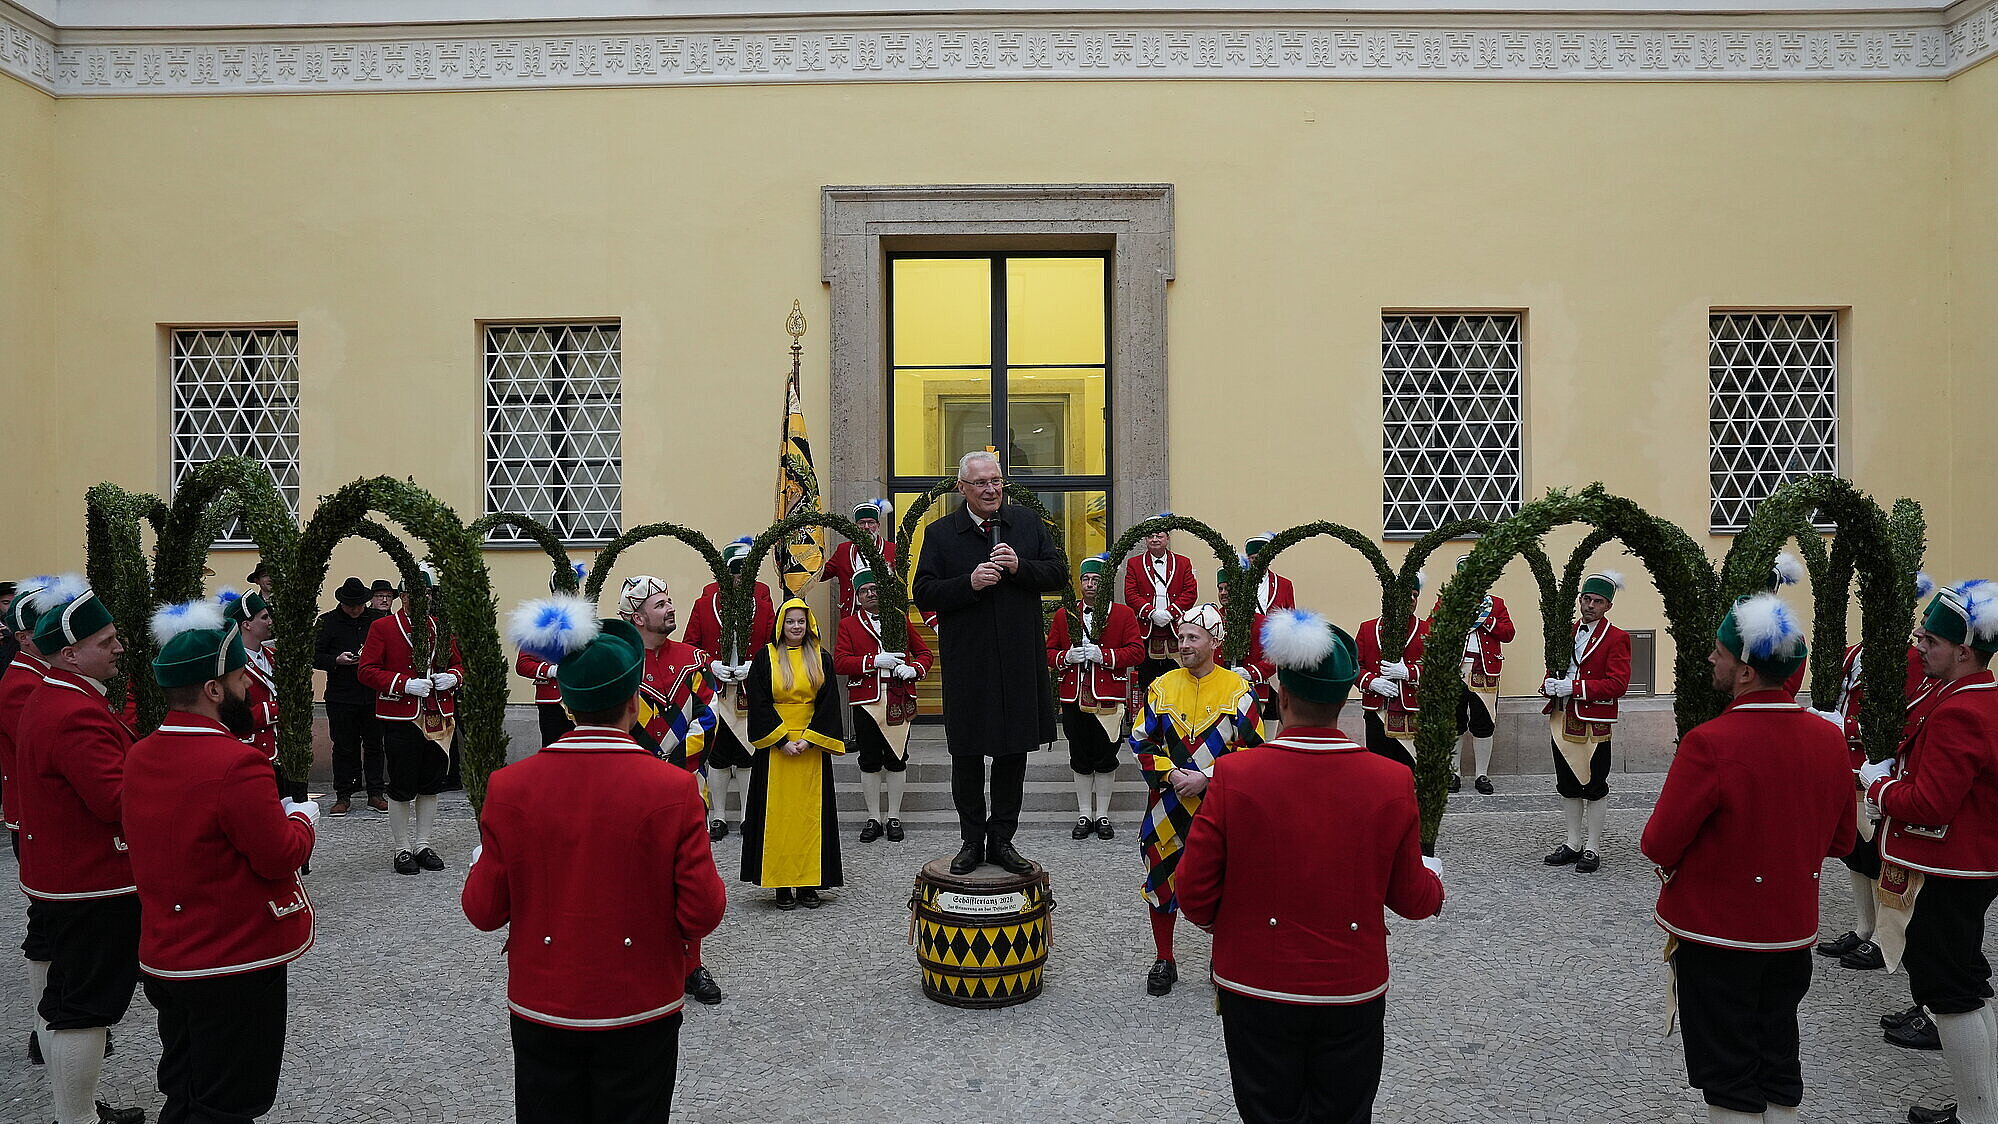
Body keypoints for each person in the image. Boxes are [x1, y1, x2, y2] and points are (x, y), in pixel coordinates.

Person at [1177, 607, 1443, 1124]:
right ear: (1345, 699)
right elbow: (1411, 899)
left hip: (1256, 981)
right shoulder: (1391, 781)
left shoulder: (1234, 775)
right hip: (1351, 985)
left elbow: (1192, 892)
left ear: (1281, 696)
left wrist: (1234, 926)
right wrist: (1435, 880)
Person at [469, 602, 727, 1124]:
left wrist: (486, 860)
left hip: (544, 1000)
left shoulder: (509, 786)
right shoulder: (675, 789)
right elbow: (703, 912)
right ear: (634, 704)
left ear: (565, 703)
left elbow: (483, 910)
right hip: (640, 1003)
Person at [1640, 593, 1855, 1124]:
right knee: (1778, 1067)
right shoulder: (1829, 739)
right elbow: (1843, 842)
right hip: (1793, 932)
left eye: (1720, 653)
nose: (1711, 660)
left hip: (1719, 937)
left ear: (1745, 671)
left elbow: (1658, 844)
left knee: (1730, 1081)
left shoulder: (1708, 742)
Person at [124, 598, 318, 1124]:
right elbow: (278, 855)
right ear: (212, 690)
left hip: (168, 952)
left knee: (186, 1088)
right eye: (238, 678)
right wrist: (303, 820)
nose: (248, 687)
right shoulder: (238, 762)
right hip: (231, 958)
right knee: (231, 1101)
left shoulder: (139, 754)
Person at [1862, 580, 1998, 1124]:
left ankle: (1976, 1115)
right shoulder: (1967, 696)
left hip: (1948, 868)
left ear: (1964, 650)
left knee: (1949, 993)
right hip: (1964, 865)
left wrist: (1876, 788)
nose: (1921, 646)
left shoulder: (1962, 707)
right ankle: (1981, 1106)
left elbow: (1932, 804)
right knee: (1967, 981)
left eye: (1932, 641)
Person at [13, 581, 145, 1124]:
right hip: (93, 881)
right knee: (85, 1009)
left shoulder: (59, 695)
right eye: (106, 640)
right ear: (71, 653)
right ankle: (77, 1118)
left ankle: (80, 1110)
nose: (119, 648)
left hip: (65, 874)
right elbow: (116, 799)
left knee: (68, 1002)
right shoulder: (75, 710)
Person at [912, 450, 1069, 877]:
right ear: (962, 487)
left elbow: (1058, 573)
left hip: (1018, 661)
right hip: (969, 664)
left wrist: (1020, 568)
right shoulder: (942, 534)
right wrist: (969, 583)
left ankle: (1002, 840)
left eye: (996, 480)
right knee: (966, 756)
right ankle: (970, 840)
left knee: (1011, 756)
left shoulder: (1027, 524)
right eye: (980, 482)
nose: (990, 489)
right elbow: (924, 591)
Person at [1129, 604, 1263, 997]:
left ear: (1214, 642)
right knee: (1160, 877)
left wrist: (1207, 777)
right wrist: (1171, 773)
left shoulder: (1238, 690)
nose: (1183, 644)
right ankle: (1164, 958)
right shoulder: (1162, 686)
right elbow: (1140, 740)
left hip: (1219, 804)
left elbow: (1255, 750)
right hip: (1166, 805)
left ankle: (1221, 955)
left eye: (1192, 637)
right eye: (1181, 637)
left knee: (1226, 880)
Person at [614, 574, 723, 1004]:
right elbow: (610, 723)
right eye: (660, 604)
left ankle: (691, 965)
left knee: (688, 877)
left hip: (686, 784)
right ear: (637, 616)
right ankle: (640, 961)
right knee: (633, 879)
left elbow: (710, 715)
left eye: (669, 602)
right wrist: (646, 762)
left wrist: (668, 755)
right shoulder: (620, 662)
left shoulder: (694, 660)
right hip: (633, 789)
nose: (670, 609)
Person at [357, 564, 464, 876]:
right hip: (401, 714)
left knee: (431, 784)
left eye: (425, 594)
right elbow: (366, 670)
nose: (418, 599)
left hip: (437, 715)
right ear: (402, 596)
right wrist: (402, 684)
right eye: (412, 594)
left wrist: (452, 677)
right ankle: (401, 847)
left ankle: (422, 843)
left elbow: (459, 663)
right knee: (402, 785)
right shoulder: (384, 628)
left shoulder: (439, 627)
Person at [742, 599, 846, 909]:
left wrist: (810, 740)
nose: (796, 627)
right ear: (781, 625)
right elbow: (758, 701)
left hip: (810, 748)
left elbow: (828, 703)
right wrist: (781, 739)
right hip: (777, 748)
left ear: (808, 624)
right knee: (778, 818)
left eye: (801, 621)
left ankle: (808, 883)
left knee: (809, 818)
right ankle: (781, 884)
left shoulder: (820, 658)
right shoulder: (766, 657)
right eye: (791, 622)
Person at [0, 575, 64, 1068]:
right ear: (24, 637)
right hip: (40, 820)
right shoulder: (24, 682)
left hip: (46, 818)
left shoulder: (42, 677)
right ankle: (48, 1026)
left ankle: (58, 1022)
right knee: (49, 923)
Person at [1047, 554, 1144, 840]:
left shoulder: (1124, 614)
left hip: (1108, 700)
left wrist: (1105, 655)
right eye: (1086, 580)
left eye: (1096, 580)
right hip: (1074, 697)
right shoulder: (1066, 615)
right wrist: (1066, 656)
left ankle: (1102, 814)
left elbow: (1136, 652)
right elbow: (1048, 653)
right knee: (1079, 756)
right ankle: (1083, 814)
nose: (1089, 585)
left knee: (1105, 757)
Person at [684, 536, 776, 841]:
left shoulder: (762, 603)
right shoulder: (704, 602)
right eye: (734, 571)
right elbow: (689, 646)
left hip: (750, 691)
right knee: (719, 755)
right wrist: (710, 665)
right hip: (718, 691)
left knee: (748, 754)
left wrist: (757, 664)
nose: (738, 578)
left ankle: (749, 816)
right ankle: (720, 817)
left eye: (744, 571)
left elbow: (773, 645)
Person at [832, 568, 931, 843]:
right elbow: (840, 662)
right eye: (865, 591)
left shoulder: (899, 618)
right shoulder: (849, 625)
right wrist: (873, 661)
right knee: (869, 761)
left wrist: (915, 669)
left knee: (897, 759)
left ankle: (894, 815)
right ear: (858, 597)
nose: (871, 594)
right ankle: (874, 817)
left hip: (899, 697)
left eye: (875, 589)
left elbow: (924, 652)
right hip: (866, 701)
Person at [1542, 570, 1632, 874]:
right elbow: (1556, 669)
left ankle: (1593, 847)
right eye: (1586, 598)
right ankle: (1573, 842)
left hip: (1594, 721)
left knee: (1594, 785)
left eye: (1597, 601)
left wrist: (1575, 688)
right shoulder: (1565, 632)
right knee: (1566, 784)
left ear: (1607, 606)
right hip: (1562, 717)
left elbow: (1618, 684)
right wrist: (1549, 685)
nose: (1590, 605)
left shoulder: (1617, 637)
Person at [1433, 555, 1515, 795]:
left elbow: (1509, 633)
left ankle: (1482, 774)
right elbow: (1433, 628)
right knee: (1454, 722)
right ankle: (1454, 773)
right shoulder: (1446, 601)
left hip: (1484, 671)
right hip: (1455, 671)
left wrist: (1486, 619)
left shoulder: (1496, 604)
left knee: (1484, 723)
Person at [314, 576, 387, 816]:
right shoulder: (327, 622)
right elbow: (314, 655)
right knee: (344, 747)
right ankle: (343, 795)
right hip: (341, 695)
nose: (355, 610)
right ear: (342, 603)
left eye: (359, 605)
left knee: (375, 745)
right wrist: (336, 660)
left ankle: (375, 793)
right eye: (350, 606)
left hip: (373, 694)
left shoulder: (378, 620)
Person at [1355, 573, 1430, 771]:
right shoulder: (1367, 628)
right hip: (1376, 710)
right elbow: (1353, 665)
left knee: (1411, 770)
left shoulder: (1427, 629)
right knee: (1379, 770)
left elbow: (1440, 667)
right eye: (1408, 594)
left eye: (1416, 595)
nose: (1413, 600)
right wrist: (1371, 682)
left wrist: (1409, 673)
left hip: (1413, 709)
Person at [1121, 516, 1197, 701]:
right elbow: (1130, 594)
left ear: (1167, 538)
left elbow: (1190, 592)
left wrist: (1170, 613)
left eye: (1159, 535)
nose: (1155, 539)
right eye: (1150, 536)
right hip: (1146, 630)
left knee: (1179, 677)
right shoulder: (1134, 563)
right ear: (1145, 540)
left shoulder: (1183, 562)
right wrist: (1152, 613)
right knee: (1147, 680)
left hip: (1175, 629)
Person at [515, 564, 588, 747]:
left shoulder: (588, 622)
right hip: (552, 701)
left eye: (573, 591)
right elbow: (522, 664)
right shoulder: (538, 624)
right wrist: (551, 671)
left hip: (583, 700)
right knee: (553, 750)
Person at [222, 587, 280, 771]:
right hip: (252, 749)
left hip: (281, 751)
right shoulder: (231, 664)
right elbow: (232, 715)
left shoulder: (274, 655)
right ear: (247, 624)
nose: (270, 622)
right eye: (264, 618)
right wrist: (275, 710)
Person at [1217, 562, 1276, 724]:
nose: (1223, 593)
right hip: (1218, 694)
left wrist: (1250, 672)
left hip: (1254, 692)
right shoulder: (1212, 619)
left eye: (1228, 588)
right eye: (1220, 589)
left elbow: (1274, 660)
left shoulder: (1262, 622)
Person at [820, 499, 897, 618]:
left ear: (878, 525)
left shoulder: (892, 549)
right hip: (853, 613)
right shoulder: (843, 550)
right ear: (856, 526)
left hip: (884, 613)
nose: (866, 527)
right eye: (862, 523)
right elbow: (823, 573)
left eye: (871, 522)